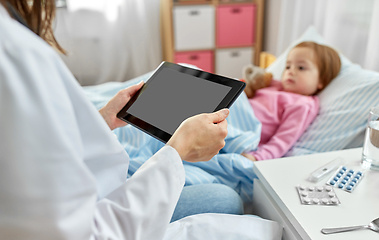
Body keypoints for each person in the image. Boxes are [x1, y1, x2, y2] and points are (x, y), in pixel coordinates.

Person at [0, 1, 282, 239]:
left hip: (92, 195)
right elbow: (93, 232)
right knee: (225, 199)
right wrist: (178, 150)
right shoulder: (17, 54)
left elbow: (43, 146)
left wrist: (103, 120)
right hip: (103, 216)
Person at [242, 42, 341, 161]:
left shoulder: (303, 104)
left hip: (243, 129)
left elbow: (283, 139)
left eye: (301, 68)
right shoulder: (274, 85)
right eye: (288, 66)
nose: (291, 71)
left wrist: (257, 157)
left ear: (321, 80)